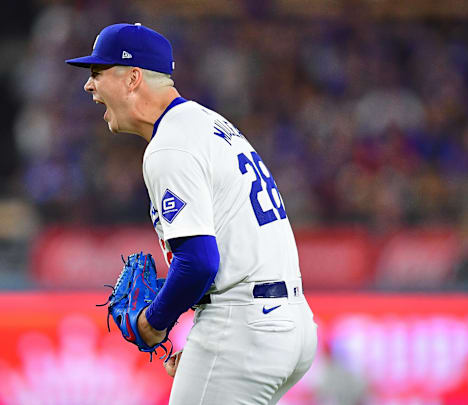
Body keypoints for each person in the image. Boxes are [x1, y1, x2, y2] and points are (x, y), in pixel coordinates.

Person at [66, 23, 317, 405]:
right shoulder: (208, 123)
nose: (89, 86)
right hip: (287, 321)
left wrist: (155, 322)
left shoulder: (170, 146)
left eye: (98, 72)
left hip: (243, 327)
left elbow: (199, 261)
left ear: (133, 78)